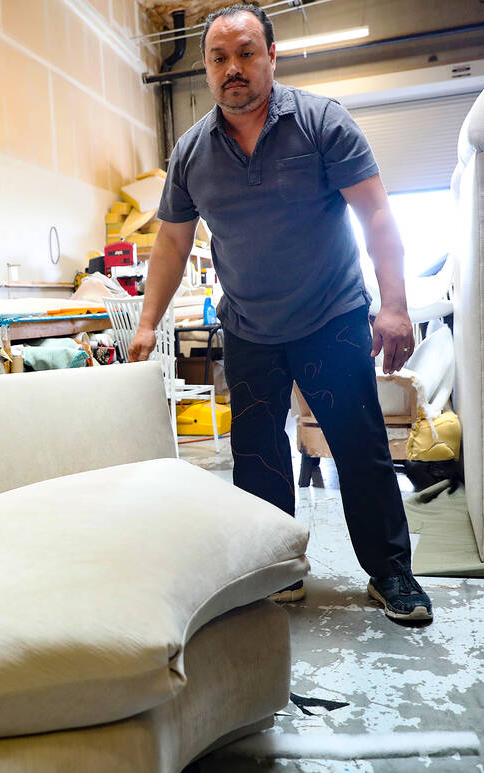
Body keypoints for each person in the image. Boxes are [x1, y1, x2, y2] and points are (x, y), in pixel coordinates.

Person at [129, 5, 432, 624]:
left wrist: (395, 306)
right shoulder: (191, 153)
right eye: (218, 58)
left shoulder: (323, 124)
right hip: (248, 328)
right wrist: (146, 322)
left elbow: (376, 215)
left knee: (359, 446)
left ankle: (391, 574)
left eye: (245, 53)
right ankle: (277, 569)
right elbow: (170, 241)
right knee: (258, 453)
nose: (231, 69)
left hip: (332, 316)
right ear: (207, 69)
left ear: (272, 55)